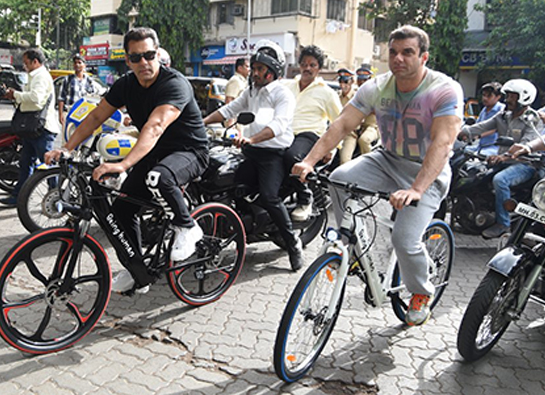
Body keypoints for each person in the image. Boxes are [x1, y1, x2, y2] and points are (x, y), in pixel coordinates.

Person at [293, 25, 463, 326]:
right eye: (393, 52)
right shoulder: (376, 86)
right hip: (386, 159)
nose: (398, 59)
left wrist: (417, 189)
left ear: (423, 57)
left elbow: (443, 143)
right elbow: (342, 125)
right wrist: (309, 160)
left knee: (405, 240)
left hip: (425, 172)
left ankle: (421, 293)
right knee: (339, 178)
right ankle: (361, 244)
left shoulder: (444, 90)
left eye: (407, 52)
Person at [45, 27, 209, 293]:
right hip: (154, 153)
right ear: (128, 61)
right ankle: (138, 271)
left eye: (149, 55)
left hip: (189, 151)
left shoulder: (174, 83)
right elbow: (97, 117)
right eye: (136, 57)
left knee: (159, 177)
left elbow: (155, 127)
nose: (143, 62)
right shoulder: (126, 85)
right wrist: (66, 148)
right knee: (121, 209)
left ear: (157, 54)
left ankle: (188, 227)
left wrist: (123, 165)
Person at [203, 39, 303, 271]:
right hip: (250, 152)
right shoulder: (251, 91)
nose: (254, 72)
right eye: (254, 68)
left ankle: (293, 243)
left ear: (272, 71)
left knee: (269, 197)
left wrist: (251, 139)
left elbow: (278, 125)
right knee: (227, 185)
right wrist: (200, 122)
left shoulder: (283, 95)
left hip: (273, 155)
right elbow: (229, 109)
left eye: (259, 69)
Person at [460, 79, 544, 239]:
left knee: (500, 180)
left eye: (513, 96)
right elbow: (482, 127)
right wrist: (458, 132)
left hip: (525, 164)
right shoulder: (504, 116)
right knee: (474, 172)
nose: (508, 100)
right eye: (509, 96)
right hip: (503, 161)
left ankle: (503, 224)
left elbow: (527, 144)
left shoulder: (532, 118)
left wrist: (503, 156)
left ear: (524, 97)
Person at [283, 45, 342, 221]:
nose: (307, 68)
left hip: (309, 136)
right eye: (304, 64)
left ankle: (305, 197)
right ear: (299, 65)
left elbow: (340, 122)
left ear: (319, 68)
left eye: (312, 65)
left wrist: (332, 148)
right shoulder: (288, 86)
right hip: (285, 134)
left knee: (291, 156)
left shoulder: (327, 93)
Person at [0, 48, 59, 206]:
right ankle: (19, 197)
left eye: (26, 63)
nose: (24, 66)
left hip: (42, 129)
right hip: (32, 129)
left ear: (35, 61)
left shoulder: (40, 76)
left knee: (48, 166)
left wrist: (16, 95)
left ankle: (57, 198)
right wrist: (15, 96)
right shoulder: (34, 76)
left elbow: (36, 99)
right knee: (25, 165)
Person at [338, 66, 380, 164]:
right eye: (360, 80)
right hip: (348, 129)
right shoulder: (350, 95)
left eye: (365, 80)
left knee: (364, 140)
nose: (362, 82)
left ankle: (370, 165)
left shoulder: (375, 94)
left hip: (371, 127)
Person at [463, 81, 505, 155]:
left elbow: (495, 128)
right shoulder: (484, 110)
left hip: (493, 148)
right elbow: (478, 125)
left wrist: (478, 136)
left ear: (498, 97)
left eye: (489, 96)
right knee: (461, 152)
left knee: (478, 158)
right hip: (480, 146)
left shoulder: (502, 110)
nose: (485, 98)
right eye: (484, 95)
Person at [57, 54, 96, 125]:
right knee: (68, 135)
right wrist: (60, 114)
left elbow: (93, 99)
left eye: (79, 62)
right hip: (69, 113)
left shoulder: (89, 81)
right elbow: (61, 98)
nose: (77, 65)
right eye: (75, 63)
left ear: (84, 65)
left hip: (84, 115)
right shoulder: (67, 79)